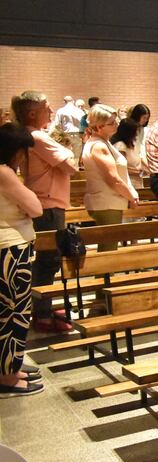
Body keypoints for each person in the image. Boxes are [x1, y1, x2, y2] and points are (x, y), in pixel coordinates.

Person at [11, 91, 78, 331]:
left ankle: (44, 306)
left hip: (47, 202)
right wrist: (68, 151)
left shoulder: (32, 135)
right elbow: (71, 166)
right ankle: (42, 314)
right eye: (46, 108)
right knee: (48, 261)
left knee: (47, 260)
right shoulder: (38, 136)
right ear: (31, 113)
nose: (51, 112)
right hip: (48, 205)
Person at [0, 124, 45, 396]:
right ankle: (7, 376)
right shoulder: (4, 172)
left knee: (9, 311)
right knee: (13, 314)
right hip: (11, 250)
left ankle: (10, 367)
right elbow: (35, 207)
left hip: (10, 248)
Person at [81, 104, 139, 250]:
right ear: (99, 127)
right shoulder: (98, 146)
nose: (117, 124)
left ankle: (105, 274)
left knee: (109, 246)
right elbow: (113, 179)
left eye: (116, 121)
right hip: (106, 202)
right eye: (112, 123)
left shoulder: (104, 142)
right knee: (108, 249)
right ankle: (104, 274)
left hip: (109, 201)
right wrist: (130, 196)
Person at [110, 118, 143, 190]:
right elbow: (121, 167)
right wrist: (137, 171)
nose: (136, 134)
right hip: (128, 182)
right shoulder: (120, 145)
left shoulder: (131, 144)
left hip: (136, 180)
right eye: (134, 132)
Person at [53, 95, 84, 160]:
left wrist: (61, 133)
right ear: (73, 101)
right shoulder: (80, 111)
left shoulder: (61, 111)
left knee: (66, 154)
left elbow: (57, 124)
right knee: (76, 156)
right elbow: (84, 124)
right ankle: (75, 168)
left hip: (66, 134)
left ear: (64, 102)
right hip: (78, 134)